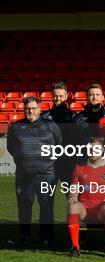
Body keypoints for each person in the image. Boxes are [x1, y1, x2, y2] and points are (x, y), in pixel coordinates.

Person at [7, 96, 62, 246]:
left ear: (39, 110)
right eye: (27, 109)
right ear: (24, 110)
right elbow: (11, 148)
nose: (30, 111)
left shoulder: (51, 126)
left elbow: (59, 144)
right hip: (23, 176)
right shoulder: (15, 127)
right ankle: (24, 237)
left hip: (46, 175)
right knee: (24, 207)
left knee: (46, 207)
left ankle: (47, 237)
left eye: (33, 108)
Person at [66, 137, 105, 258]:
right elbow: (73, 189)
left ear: (102, 150)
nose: (92, 151)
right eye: (90, 149)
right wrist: (73, 197)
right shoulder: (79, 167)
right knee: (72, 207)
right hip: (85, 208)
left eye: (96, 148)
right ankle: (75, 247)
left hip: (101, 209)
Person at [41, 82, 75, 184]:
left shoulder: (73, 116)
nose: (58, 99)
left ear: (65, 96)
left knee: (71, 197)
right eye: (55, 96)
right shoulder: (44, 116)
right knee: (46, 197)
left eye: (60, 96)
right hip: (49, 162)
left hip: (68, 161)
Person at [73, 83, 105, 150]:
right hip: (84, 156)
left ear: (102, 97)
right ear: (86, 97)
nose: (94, 97)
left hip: (104, 157)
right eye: (91, 95)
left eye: (97, 95)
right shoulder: (77, 119)